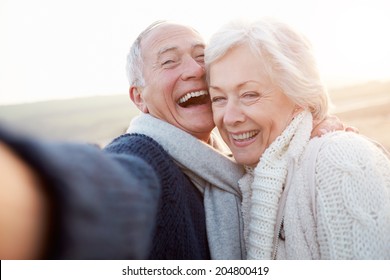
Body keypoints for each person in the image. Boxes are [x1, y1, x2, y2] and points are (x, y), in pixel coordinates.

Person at [0, 20, 350, 260]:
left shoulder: (228, 167)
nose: (194, 69)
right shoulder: (144, 158)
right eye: (169, 61)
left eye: (202, 56)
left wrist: (308, 129)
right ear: (139, 98)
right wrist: (30, 191)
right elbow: (113, 189)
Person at [205, 18, 390, 259]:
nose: (229, 118)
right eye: (218, 98)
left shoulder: (340, 160)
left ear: (300, 95)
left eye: (249, 95)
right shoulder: (240, 180)